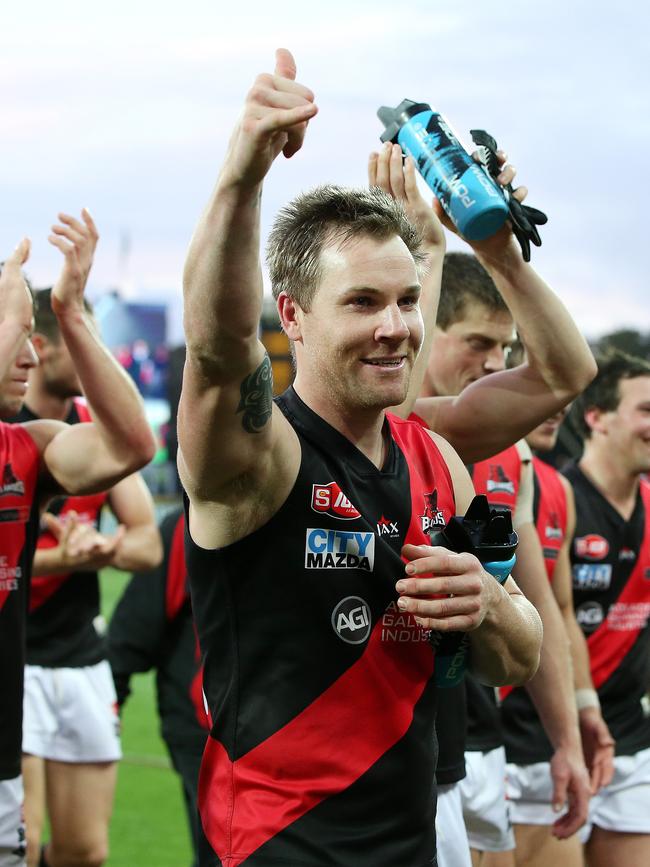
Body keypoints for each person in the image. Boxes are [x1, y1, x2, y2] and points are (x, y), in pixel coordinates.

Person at [178, 48, 543, 867]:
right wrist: (242, 175)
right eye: (363, 301)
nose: (396, 326)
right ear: (294, 315)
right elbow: (215, 346)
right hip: (275, 849)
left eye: (408, 299)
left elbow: (518, 654)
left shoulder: (437, 464)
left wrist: (484, 600)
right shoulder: (263, 458)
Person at [412, 252, 595, 867]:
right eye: (477, 342)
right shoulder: (382, 428)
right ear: (421, 329)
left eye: (505, 346)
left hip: (478, 734)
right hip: (375, 750)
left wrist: (564, 739)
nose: (494, 361)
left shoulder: (508, 457)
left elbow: (539, 602)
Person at [0, 212, 155, 867]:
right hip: (28, 685)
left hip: (5, 744)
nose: (30, 355)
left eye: (38, 339)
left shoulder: (27, 445)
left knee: (80, 851)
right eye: (16, 336)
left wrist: (71, 313)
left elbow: (133, 445)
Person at [501, 408, 615, 867]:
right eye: (537, 385)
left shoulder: (555, 487)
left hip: (539, 735)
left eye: (562, 394)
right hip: (474, 739)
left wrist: (583, 707)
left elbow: (560, 610)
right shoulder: (446, 457)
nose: (558, 406)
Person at [558, 351, 650, 867]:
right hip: (548, 744)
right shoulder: (557, 498)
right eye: (646, 411)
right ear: (596, 417)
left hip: (630, 741)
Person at [108, 506, 209, 867]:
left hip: (308, 730)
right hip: (207, 732)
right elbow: (131, 634)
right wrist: (107, 708)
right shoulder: (191, 524)